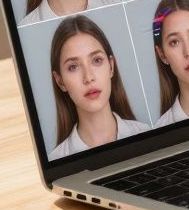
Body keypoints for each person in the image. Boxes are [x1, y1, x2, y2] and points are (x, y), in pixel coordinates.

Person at [48, 15, 148, 160]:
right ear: (60, 81)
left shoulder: (145, 133)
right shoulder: (57, 159)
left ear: (111, 67)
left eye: (96, 60)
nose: (88, 77)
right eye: (73, 67)